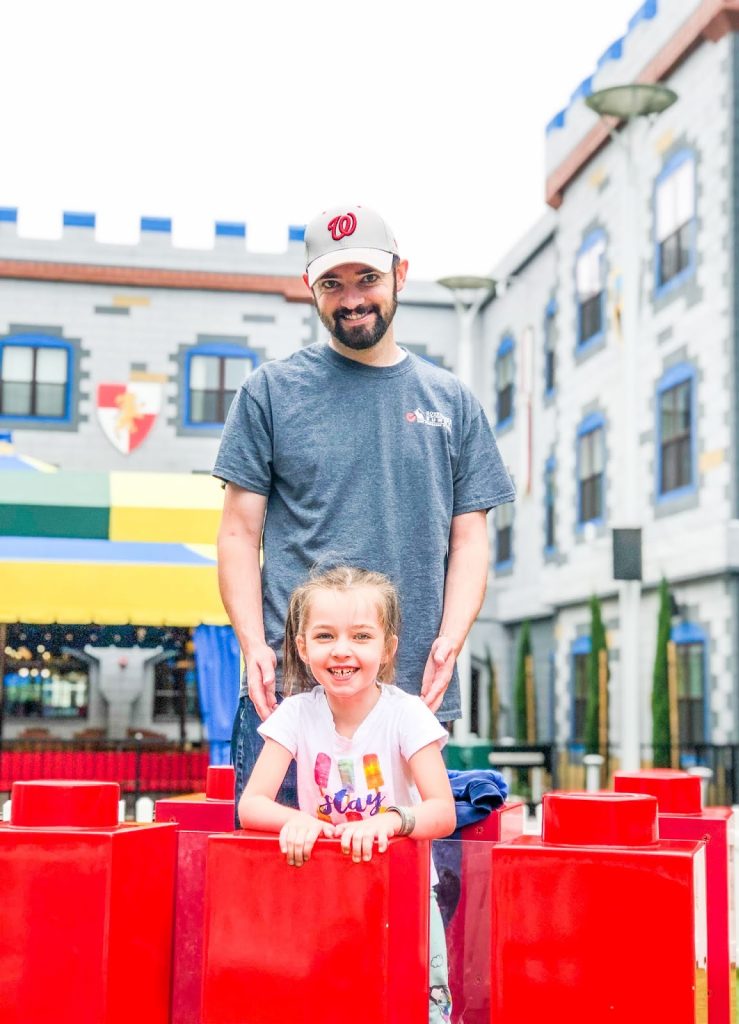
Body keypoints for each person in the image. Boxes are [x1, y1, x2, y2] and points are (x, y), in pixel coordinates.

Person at [215, 203, 515, 809]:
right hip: (290, 692)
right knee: (275, 886)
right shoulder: (269, 392)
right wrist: (253, 646)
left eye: (367, 279)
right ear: (311, 289)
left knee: (397, 883)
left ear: (400, 275)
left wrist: (450, 643)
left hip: (410, 694)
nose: (351, 298)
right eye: (333, 284)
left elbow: (471, 540)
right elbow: (238, 536)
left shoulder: (451, 401)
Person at [238, 565, 455, 1023]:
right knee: (329, 1001)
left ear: (387, 647)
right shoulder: (295, 714)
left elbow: (441, 811)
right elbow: (251, 804)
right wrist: (298, 821)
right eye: (324, 636)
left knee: (419, 1005)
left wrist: (392, 820)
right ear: (302, 647)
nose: (342, 651)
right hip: (326, 890)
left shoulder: (407, 714)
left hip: (404, 890)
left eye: (360, 636)